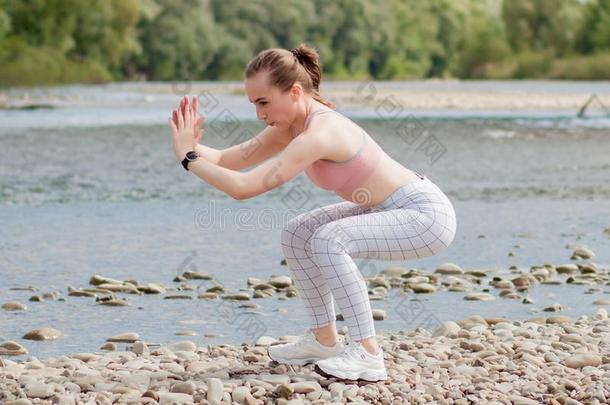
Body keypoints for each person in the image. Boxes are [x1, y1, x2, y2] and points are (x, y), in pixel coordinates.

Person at [169, 44, 457, 382]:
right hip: (385, 207)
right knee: (298, 233)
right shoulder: (291, 125)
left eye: (264, 102)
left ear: (293, 92)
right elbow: (231, 159)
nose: (259, 114)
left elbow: (242, 187)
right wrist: (188, 145)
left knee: (328, 240)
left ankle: (367, 354)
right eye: (254, 104)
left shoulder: (319, 133)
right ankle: (323, 341)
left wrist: (188, 159)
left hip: (424, 215)